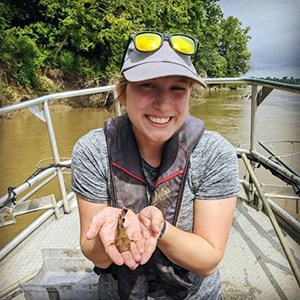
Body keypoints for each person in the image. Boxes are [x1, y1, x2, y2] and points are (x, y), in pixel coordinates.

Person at [71, 31, 239, 300]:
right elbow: (95, 255)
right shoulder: (92, 151)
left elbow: (207, 261)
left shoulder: (215, 153)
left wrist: (159, 230)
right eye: (148, 85)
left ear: (189, 96)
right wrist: (114, 230)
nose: (163, 104)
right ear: (122, 94)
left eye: (178, 88)